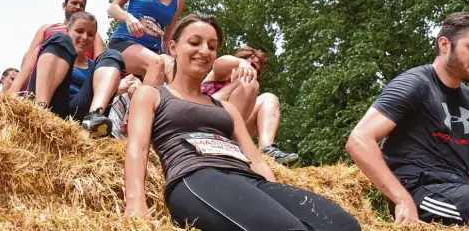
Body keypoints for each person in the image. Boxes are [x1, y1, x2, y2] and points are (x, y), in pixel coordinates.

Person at [124, 12, 361, 231]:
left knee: (344, 225)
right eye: (194, 43)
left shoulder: (226, 108)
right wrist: (135, 203)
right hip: (197, 176)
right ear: (173, 47)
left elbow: (256, 159)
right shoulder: (152, 94)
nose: (204, 51)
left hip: (248, 180)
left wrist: (275, 193)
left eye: (212, 46)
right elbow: (138, 148)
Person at [345, 12, 469, 230]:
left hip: (460, 193)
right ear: (445, 45)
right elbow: (359, 140)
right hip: (422, 192)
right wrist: (402, 199)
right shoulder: (415, 83)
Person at [27, 11, 126, 136]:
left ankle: (93, 119)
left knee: (113, 55)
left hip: (79, 113)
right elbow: (22, 77)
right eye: (79, 31)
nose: (85, 37)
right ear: (68, 30)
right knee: (61, 39)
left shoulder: (94, 66)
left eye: (90, 34)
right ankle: (40, 110)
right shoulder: (52, 48)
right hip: (51, 104)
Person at [107, 0, 189, 86]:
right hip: (125, 43)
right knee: (155, 63)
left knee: (178, 70)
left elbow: (167, 35)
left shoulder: (179, 0)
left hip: (154, 51)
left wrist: (175, 55)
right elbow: (112, 8)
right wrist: (128, 17)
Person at [201, 47, 299, 163]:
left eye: (257, 71)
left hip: (235, 130)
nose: (253, 72)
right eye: (251, 65)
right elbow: (219, 63)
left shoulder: (246, 88)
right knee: (246, 84)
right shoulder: (219, 74)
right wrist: (240, 63)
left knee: (269, 98)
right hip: (207, 127)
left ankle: (266, 150)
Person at [9, 0, 105, 94]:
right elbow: (30, 56)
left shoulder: (94, 36)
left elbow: (100, 64)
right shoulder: (47, 29)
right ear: (64, 5)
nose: (78, 7)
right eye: (74, 3)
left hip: (78, 80)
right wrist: (19, 87)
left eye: (82, 5)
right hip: (46, 75)